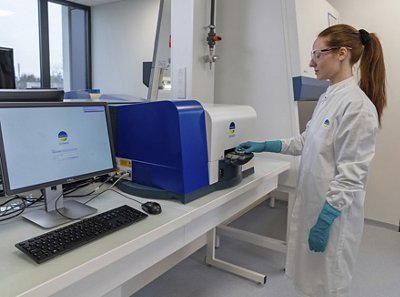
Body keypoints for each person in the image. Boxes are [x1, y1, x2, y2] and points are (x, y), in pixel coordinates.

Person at [236, 24, 386, 297]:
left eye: (318, 54)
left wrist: (326, 220)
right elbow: (306, 142)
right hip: (314, 203)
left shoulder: (358, 107)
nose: (311, 62)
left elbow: (352, 175)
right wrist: (266, 145)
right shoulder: (328, 96)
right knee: (310, 281)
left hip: (333, 215)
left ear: (342, 53)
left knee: (329, 284)